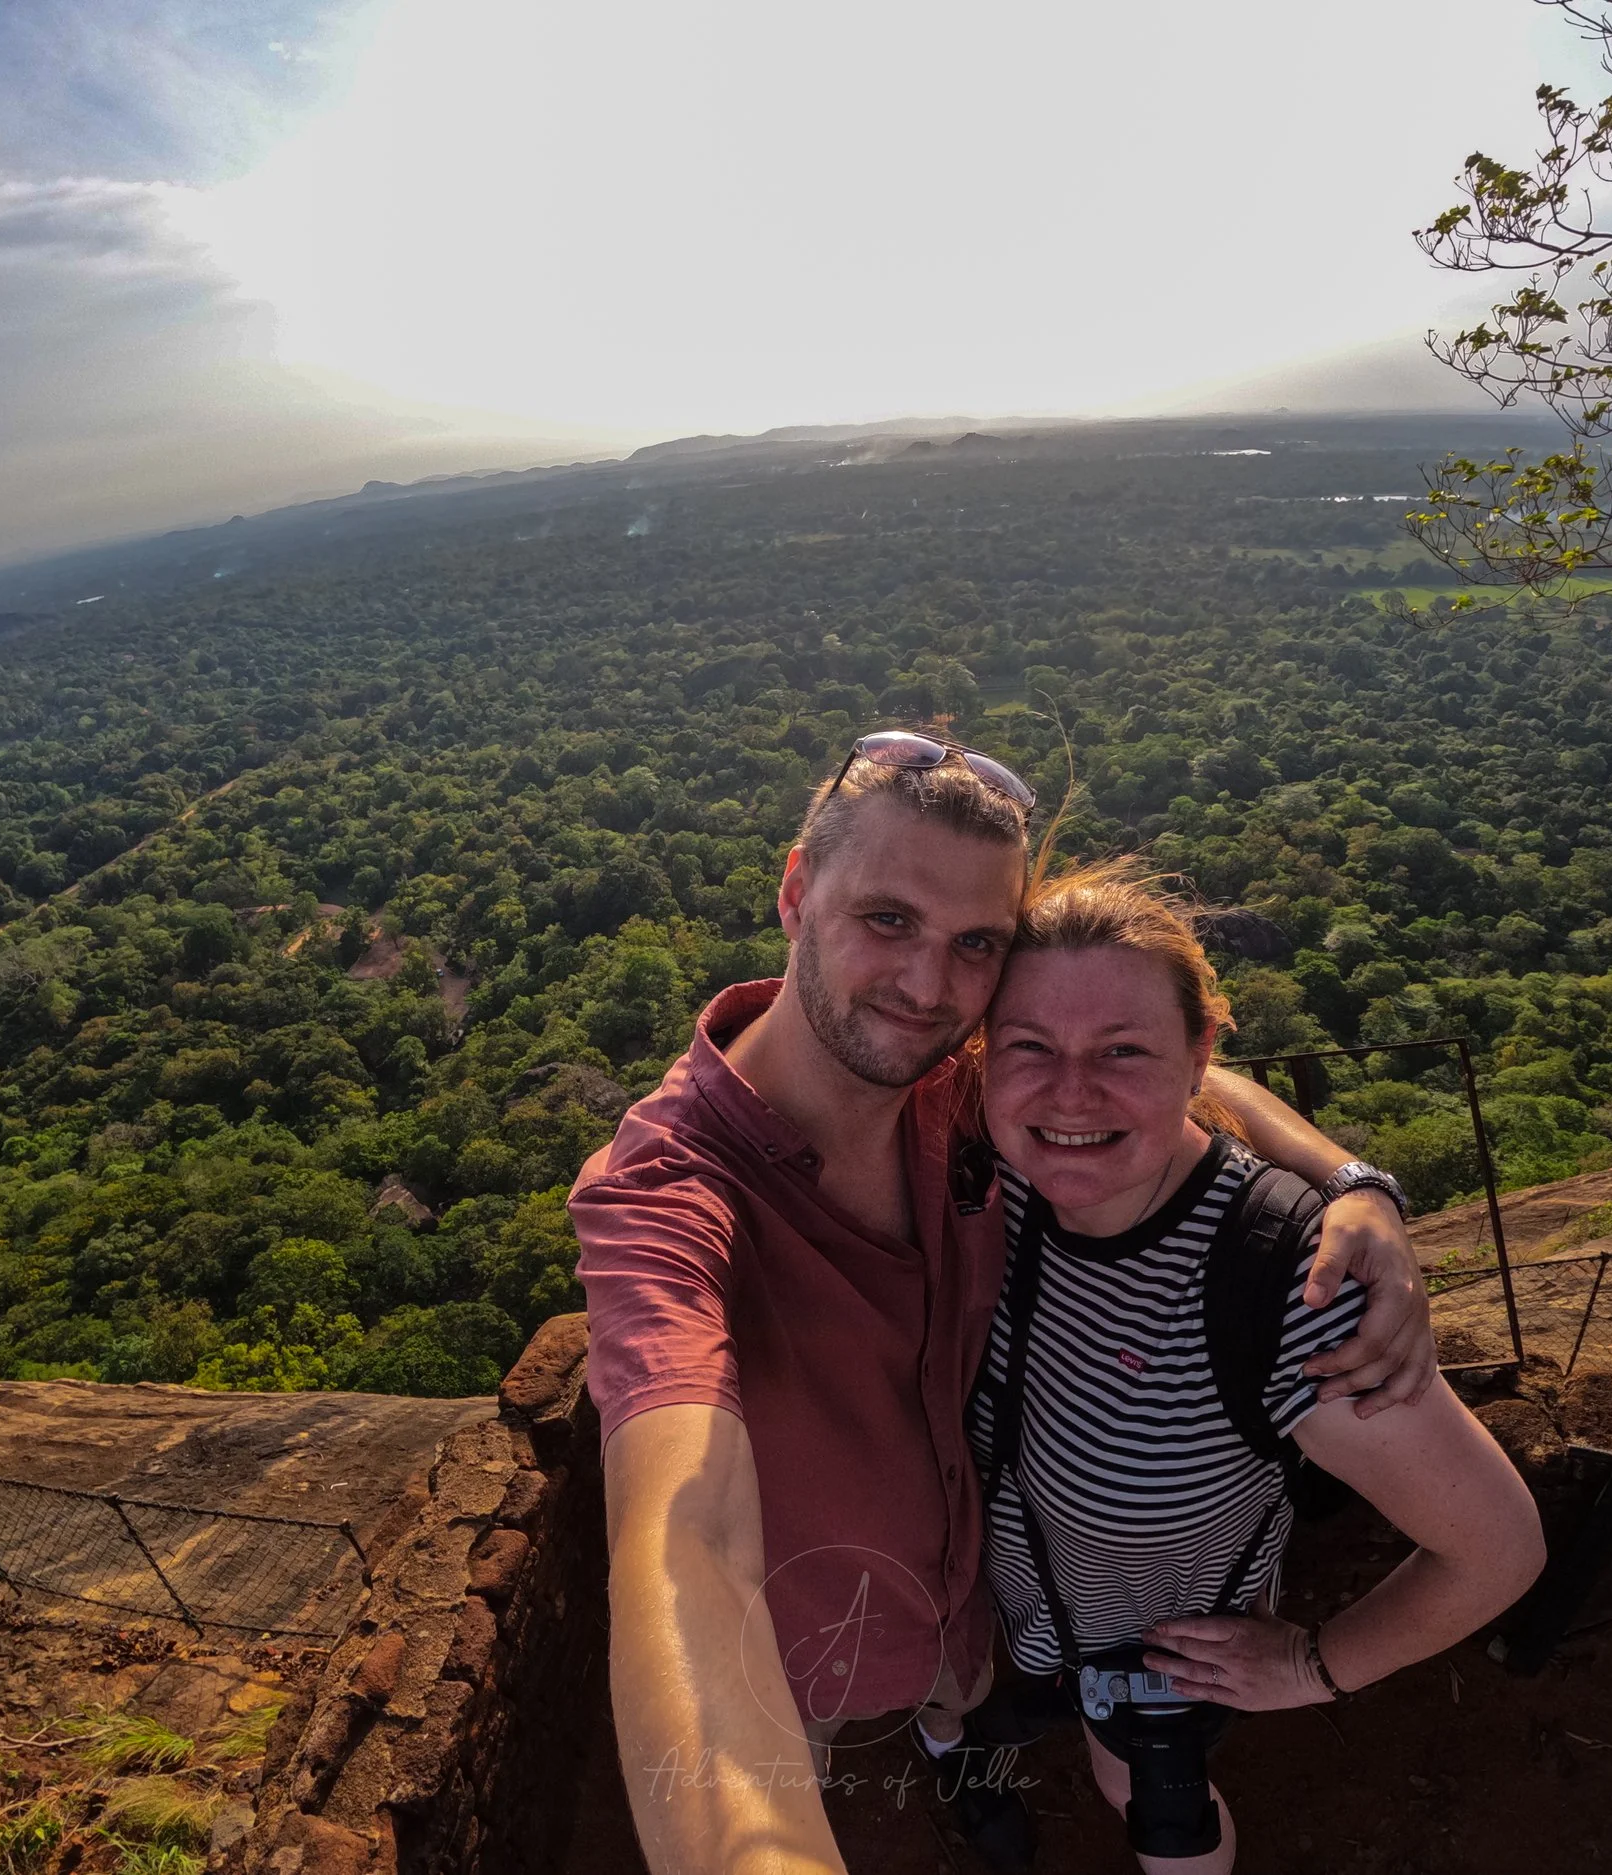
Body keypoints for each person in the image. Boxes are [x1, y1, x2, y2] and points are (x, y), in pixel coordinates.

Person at [570, 730, 1440, 1874]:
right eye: (887, 919)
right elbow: (688, 1536)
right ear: (795, 891)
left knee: (958, 1708)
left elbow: (1165, 1071)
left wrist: (1354, 1184)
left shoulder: (959, 1086)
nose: (928, 986)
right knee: (813, 1765)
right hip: (820, 1624)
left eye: (975, 943)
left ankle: (957, 1764)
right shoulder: (664, 1197)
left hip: (984, 1585)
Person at [970, 859, 1547, 1873]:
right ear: (983, 1054)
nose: (1071, 1092)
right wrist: (1356, 1175)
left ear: (1196, 1053)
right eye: (1030, 1045)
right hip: (1016, 1599)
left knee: (1146, 1800)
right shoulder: (998, 1174)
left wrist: (1315, 1666)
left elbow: (1498, 1549)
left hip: (1154, 1652)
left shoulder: (1291, 1286)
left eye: (1123, 1050)